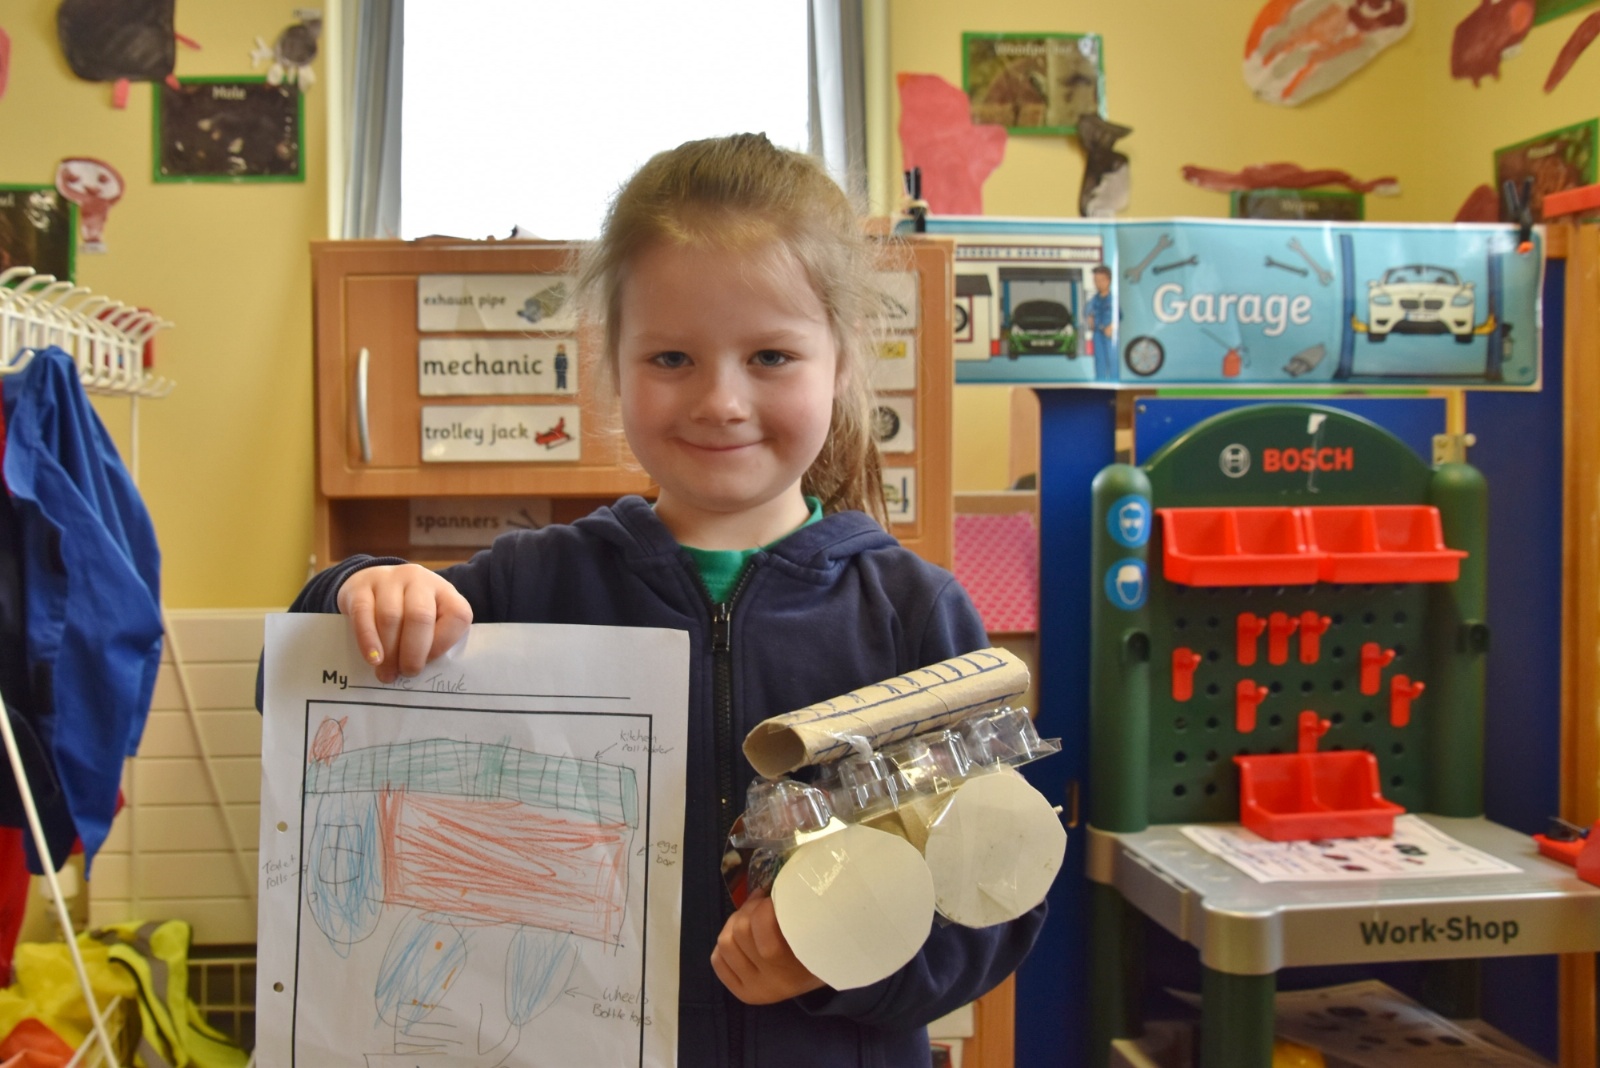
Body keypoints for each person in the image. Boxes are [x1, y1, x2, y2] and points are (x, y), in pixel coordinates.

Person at [274, 132, 1045, 1067]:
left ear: (842, 363)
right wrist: (362, 589)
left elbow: (993, 897)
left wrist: (838, 955)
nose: (720, 400)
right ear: (611, 364)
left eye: (770, 355)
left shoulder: (912, 614)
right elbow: (307, 686)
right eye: (672, 358)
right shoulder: (531, 585)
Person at [1084, 263, 1117, 379]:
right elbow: (1087, 312)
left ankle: (1114, 381)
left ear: (1109, 281)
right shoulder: (1094, 300)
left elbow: (1120, 316)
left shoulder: (1114, 299)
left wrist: (1112, 326)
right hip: (1098, 333)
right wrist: (1090, 320)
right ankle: (1100, 382)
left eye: (1102, 280)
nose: (1098, 283)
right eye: (1096, 280)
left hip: (1111, 335)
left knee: (1113, 361)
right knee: (1099, 361)